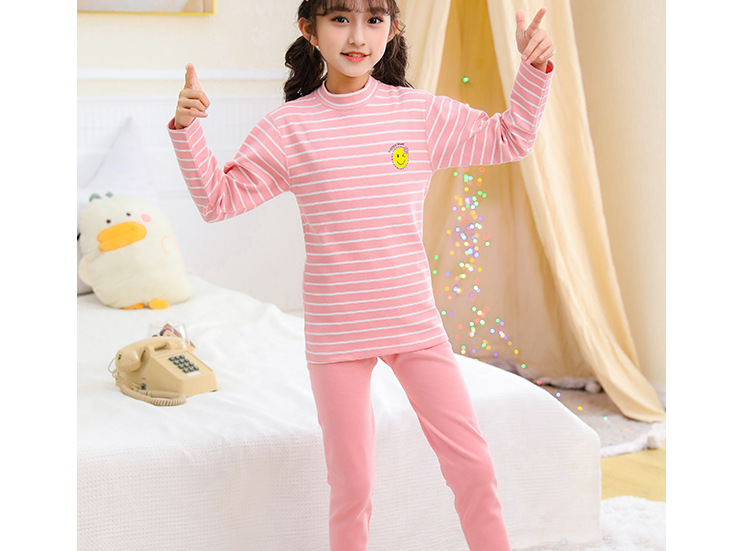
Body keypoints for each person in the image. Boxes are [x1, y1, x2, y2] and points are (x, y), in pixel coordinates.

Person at [168, 1, 555, 549]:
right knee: (353, 487)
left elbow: (511, 137)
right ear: (310, 30)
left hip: (413, 323)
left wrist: (534, 69)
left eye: (374, 20)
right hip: (337, 333)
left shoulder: (416, 114)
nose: (358, 36)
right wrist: (187, 129)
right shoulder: (288, 127)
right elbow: (217, 200)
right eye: (340, 19)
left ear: (391, 29)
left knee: (473, 468)